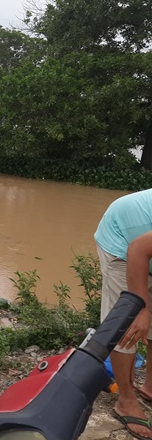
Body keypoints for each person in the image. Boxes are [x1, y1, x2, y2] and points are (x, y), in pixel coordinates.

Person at [95, 188, 152, 440]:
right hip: (123, 240)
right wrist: (142, 306)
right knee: (129, 322)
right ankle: (125, 400)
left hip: (144, 240)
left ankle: (150, 386)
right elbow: (138, 250)